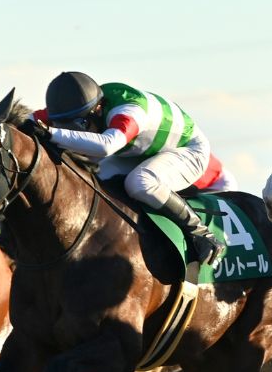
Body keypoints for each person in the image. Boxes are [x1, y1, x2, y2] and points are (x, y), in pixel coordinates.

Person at [37, 72, 233, 265]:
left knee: (140, 182)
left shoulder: (129, 111)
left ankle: (200, 233)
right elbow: (27, 119)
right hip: (139, 152)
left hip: (188, 150)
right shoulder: (75, 107)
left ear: (97, 109)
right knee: (95, 178)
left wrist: (51, 133)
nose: (75, 131)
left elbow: (106, 145)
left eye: (80, 125)